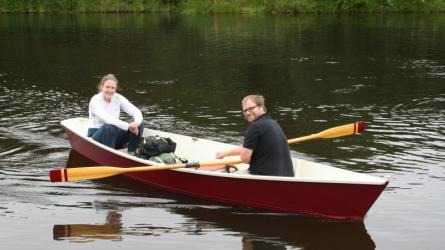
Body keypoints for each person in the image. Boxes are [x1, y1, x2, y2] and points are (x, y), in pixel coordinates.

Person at [216, 94, 294, 177]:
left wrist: (247, 156)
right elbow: (248, 147)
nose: (247, 113)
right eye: (245, 111)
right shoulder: (273, 123)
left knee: (226, 174)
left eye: (251, 108)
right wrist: (225, 154)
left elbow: (245, 158)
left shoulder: (255, 127)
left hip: (264, 178)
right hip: (287, 177)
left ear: (261, 106)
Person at [87, 74, 144, 154]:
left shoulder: (118, 98)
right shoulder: (95, 100)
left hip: (114, 134)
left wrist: (136, 123)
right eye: (107, 87)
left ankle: (132, 152)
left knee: (139, 122)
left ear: (115, 89)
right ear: (101, 87)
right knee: (109, 127)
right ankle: (111, 156)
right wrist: (127, 126)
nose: (110, 90)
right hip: (96, 136)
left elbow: (136, 111)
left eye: (112, 88)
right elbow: (106, 118)